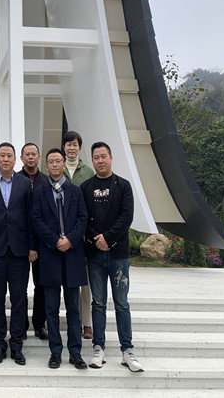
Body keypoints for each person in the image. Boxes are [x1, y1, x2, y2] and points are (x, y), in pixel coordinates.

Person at [81, 141, 144, 372]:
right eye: (96, 157)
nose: (100, 160)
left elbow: (126, 216)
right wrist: (97, 240)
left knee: (122, 303)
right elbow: (82, 217)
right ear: (92, 160)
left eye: (103, 156)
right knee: (98, 303)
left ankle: (127, 350)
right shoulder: (86, 187)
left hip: (118, 255)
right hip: (95, 255)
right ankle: (98, 348)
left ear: (111, 158)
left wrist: (108, 238)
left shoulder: (123, 186)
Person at [0, 142, 37, 365]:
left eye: (9, 156)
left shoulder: (24, 184)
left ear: (15, 159)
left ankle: (17, 345)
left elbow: (31, 217)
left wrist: (32, 246)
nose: (5, 159)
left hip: (20, 252)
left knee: (18, 299)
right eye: (2, 155)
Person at [32, 148, 88, 370]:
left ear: (64, 164)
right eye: (51, 162)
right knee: (51, 308)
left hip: (72, 255)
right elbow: (36, 220)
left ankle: (75, 352)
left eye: (58, 161)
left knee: (73, 308)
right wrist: (55, 241)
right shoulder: (39, 192)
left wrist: (70, 240)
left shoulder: (76, 191)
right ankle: (55, 351)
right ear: (46, 166)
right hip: (50, 255)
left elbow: (83, 219)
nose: (55, 165)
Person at [62, 131, 95, 340]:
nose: (72, 148)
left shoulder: (88, 172)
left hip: (82, 235)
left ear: (79, 147)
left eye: (75, 144)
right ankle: (70, 320)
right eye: (68, 144)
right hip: (61, 235)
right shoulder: (58, 168)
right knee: (64, 280)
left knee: (85, 283)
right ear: (64, 147)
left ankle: (87, 323)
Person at [18, 142, 48, 341]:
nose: (30, 157)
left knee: (41, 285)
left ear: (38, 157)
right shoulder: (15, 180)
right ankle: (21, 324)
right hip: (19, 242)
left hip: (42, 242)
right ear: (21, 158)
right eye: (27, 154)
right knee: (20, 286)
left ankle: (39, 324)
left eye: (33, 154)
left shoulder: (46, 181)